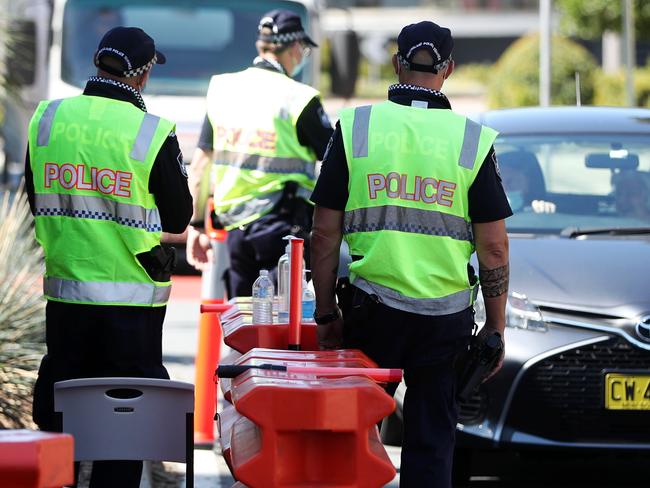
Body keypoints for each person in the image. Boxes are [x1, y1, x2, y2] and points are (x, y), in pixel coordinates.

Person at [310, 21, 511, 488]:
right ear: (450, 70)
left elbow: (323, 233)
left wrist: (325, 314)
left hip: (371, 314)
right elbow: (494, 246)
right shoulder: (470, 141)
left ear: (397, 63)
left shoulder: (357, 126)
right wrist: (497, 326)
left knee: (352, 436)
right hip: (444, 322)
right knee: (431, 444)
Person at [25, 26, 192, 487]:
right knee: (122, 429)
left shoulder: (48, 118)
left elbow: (33, 199)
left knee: (62, 421)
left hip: (66, 300)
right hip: (131, 308)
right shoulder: (150, 130)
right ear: (139, 76)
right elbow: (179, 216)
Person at [186, 9, 333, 297]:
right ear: (293, 48)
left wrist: (196, 226)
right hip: (284, 227)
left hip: (234, 228)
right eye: (303, 49)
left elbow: (200, 167)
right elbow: (334, 159)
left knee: (242, 318)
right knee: (283, 323)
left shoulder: (222, 89)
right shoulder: (298, 97)